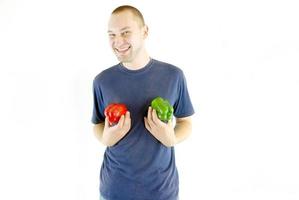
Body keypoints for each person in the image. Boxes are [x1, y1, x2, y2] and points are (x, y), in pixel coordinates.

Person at [92, 5, 194, 200]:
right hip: (114, 190)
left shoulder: (173, 76)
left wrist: (171, 138)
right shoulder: (102, 81)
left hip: (162, 191)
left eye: (125, 32)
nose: (118, 41)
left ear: (144, 31)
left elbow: (186, 122)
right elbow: (97, 124)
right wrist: (106, 139)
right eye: (111, 35)